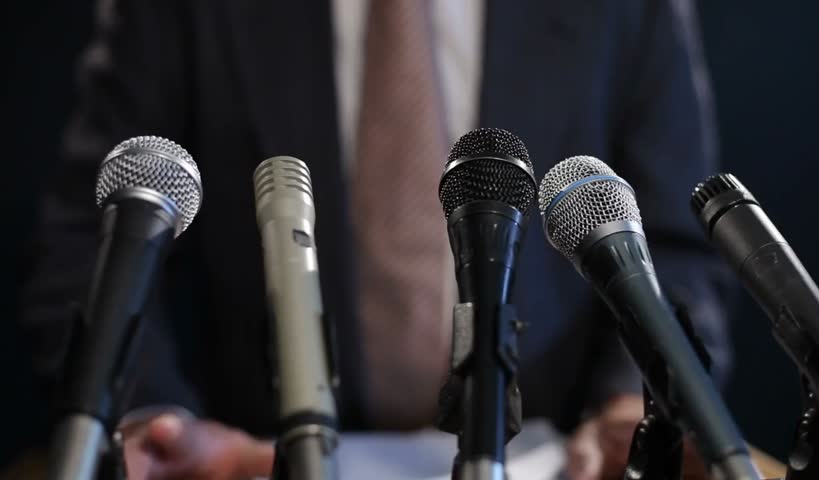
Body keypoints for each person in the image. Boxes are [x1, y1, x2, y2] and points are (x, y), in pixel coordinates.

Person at [18, 0, 730, 478]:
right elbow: (96, 234)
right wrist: (159, 427)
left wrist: (631, 411)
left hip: (553, 455)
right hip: (251, 455)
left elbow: (669, 245)